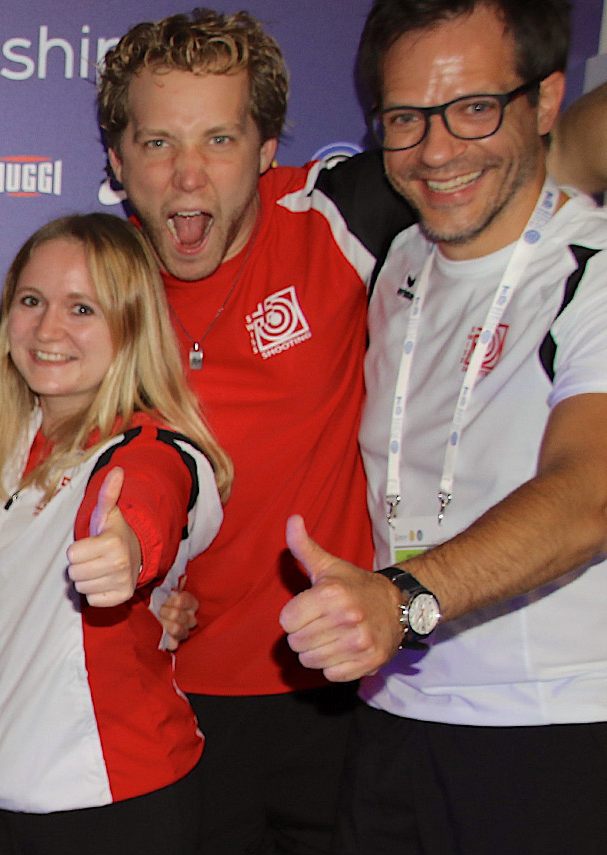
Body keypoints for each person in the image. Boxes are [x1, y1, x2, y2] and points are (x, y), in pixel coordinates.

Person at [279, 0, 607, 849]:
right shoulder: (399, 262)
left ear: (542, 103)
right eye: (405, 118)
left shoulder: (592, 273)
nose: (435, 150)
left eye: (472, 109)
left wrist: (406, 599)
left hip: (556, 730)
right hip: (392, 721)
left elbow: (590, 493)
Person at [84, 13, 415, 852]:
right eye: (157, 143)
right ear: (118, 162)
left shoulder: (336, 216)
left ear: (267, 151)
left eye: (220, 139)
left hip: (337, 691)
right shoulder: (89, 284)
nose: (188, 175)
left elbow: (551, 146)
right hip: (168, 701)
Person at [0, 213, 230, 855]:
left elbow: (154, 493)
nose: (48, 330)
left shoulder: (149, 445)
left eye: (82, 309)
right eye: (32, 302)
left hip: (109, 807)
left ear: (131, 325)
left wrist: (128, 550)